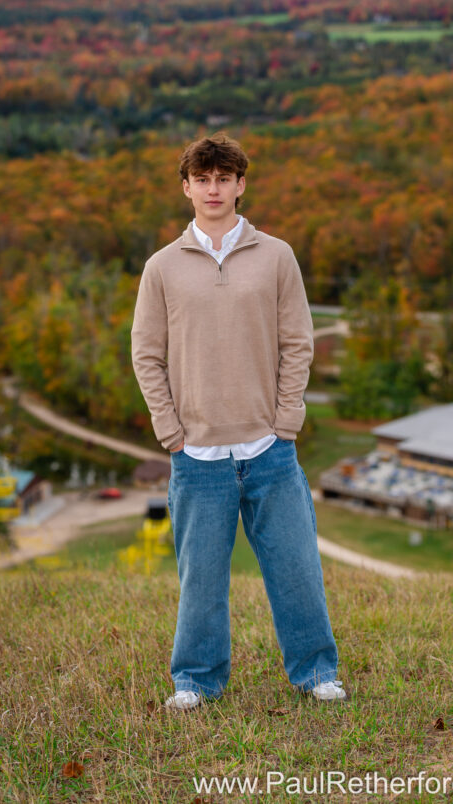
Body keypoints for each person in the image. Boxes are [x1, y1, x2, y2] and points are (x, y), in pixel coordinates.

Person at [131, 133, 346, 710]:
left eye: (224, 178)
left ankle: (316, 672)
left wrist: (286, 420)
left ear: (241, 184)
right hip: (196, 456)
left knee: (296, 569)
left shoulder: (276, 256)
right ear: (186, 187)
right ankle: (195, 681)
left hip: (268, 450)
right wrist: (170, 432)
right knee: (200, 582)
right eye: (202, 179)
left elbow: (298, 343)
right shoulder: (162, 268)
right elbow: (146, 355)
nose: (213, 188)